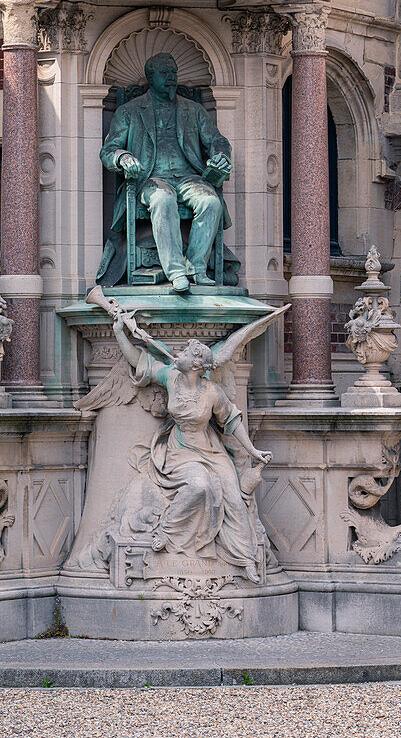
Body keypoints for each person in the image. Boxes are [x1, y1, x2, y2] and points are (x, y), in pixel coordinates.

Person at [111, 308, 275, 584]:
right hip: (179, 450)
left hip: (211, 451)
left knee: (233, 497)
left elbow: (232, 422)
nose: (180, 354)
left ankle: (245, 558)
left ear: (196, 365)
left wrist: (253, 451)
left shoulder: (211, 392)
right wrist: (119, 332)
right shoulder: (170, 377)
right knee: (201, 485)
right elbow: (140, 361)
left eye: (186, 353)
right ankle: (167, 529)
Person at [99, 52, 232, 292]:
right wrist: (124, 157)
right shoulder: (130, 111)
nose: (171, 78)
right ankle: (176, 271)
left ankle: (196, 266)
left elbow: (217, 141)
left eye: (174, 73)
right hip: (150, 179)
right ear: (151, 77)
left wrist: (220, 156)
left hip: (189, 177)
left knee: (211, 202)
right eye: (165, 73)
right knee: (163, 199)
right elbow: (109, 150)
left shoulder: (193, 110)